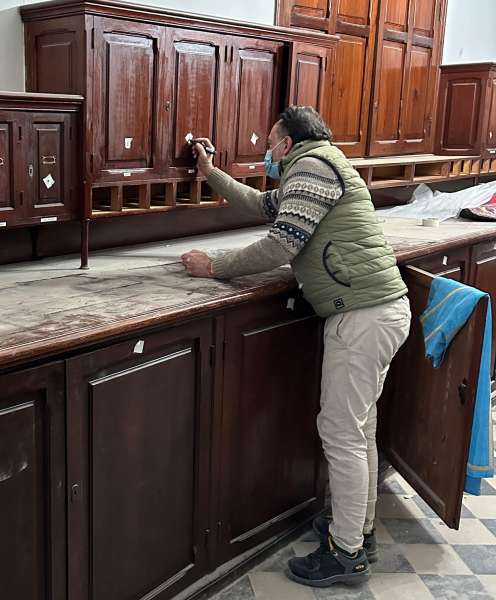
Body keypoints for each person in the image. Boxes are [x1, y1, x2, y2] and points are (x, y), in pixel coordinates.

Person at [182, 106, 411, 588]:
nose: (267, 151)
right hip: (376, 311)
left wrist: (215, 266)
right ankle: (358, 531)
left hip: (361, 317)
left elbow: (279, 244)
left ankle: (346, 554)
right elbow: (259, 203)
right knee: (358, 429)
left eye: (270, 142)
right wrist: (209, 173)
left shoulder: (309, 168)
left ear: (288, 143)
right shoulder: (318, 167)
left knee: (342, 433)